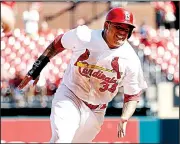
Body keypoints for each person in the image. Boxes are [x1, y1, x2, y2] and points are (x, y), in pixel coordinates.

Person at [18, 7, 147, 143]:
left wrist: (125, 117)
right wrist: (37, 67)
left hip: (97, 109)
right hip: (70, 95)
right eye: (118, 27)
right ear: (106, 25)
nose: (122, 33)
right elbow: (57, 44)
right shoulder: (84, 36)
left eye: (126, 29)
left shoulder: (131, 59)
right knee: (62, 139)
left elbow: (132, 95)